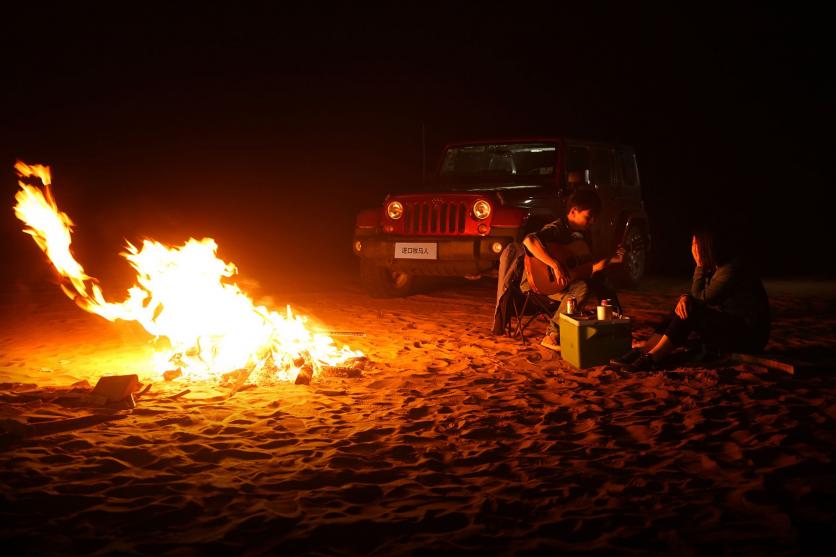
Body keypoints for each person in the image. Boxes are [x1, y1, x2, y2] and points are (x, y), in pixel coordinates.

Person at [611, 222, 771, 371]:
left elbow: (703, 298)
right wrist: (684, 298)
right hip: (736, 325)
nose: (692, 249)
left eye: (695, 244)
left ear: (707, 246)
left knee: (689, 309)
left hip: (749, 337)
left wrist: (699, 266)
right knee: (682, 306)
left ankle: (653, 358)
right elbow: (698, 297)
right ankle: (644, 350)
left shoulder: (731, 269)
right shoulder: (719, 267)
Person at [521, 188, 624, 350]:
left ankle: (615, 325)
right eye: (588, 216)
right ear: (574, 212)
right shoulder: (557, 228)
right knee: (582, 287)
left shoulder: (582, 235)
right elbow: (529, 240)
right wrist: (554, 264)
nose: (591, 222)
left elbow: (582, 269)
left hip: (566, 280)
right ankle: (552, 334)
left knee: (601, 279)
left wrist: (612, 259)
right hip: (538, 282)